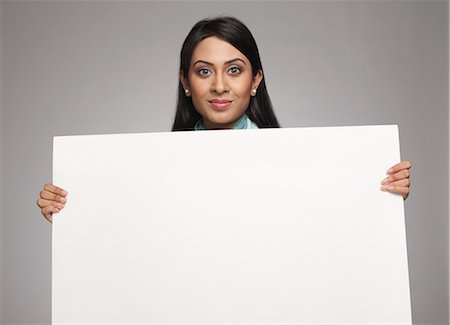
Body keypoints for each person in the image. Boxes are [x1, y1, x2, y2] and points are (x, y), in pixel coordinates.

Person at [36, 16, 412, 223]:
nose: (219, 85)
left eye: (234, 69)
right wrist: (72, 218)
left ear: (255, 81)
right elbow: (131, 241)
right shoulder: (150, 172)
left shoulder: (303, 165)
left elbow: (328, 232)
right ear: (185, 82)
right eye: (203, 72)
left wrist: (380, 194)